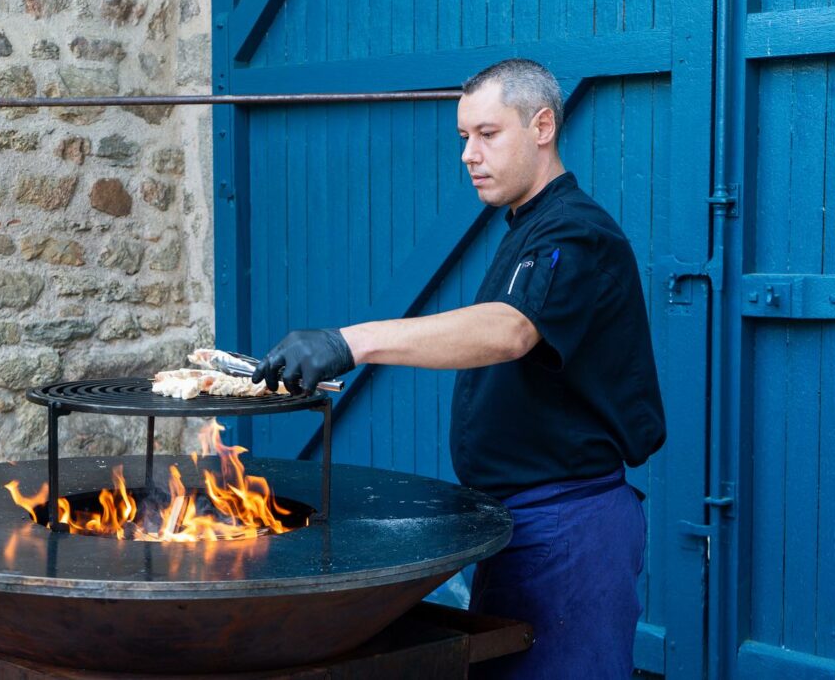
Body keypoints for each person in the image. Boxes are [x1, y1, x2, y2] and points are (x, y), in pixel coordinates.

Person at [251, 58, 666, 679]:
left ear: (543, 125)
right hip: (520, 525)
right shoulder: (527, 228)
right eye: (463, 137)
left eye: (488, 134)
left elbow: (509, 330)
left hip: (569, 529)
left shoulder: (577, 234)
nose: (470, 154)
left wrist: (350, 342)